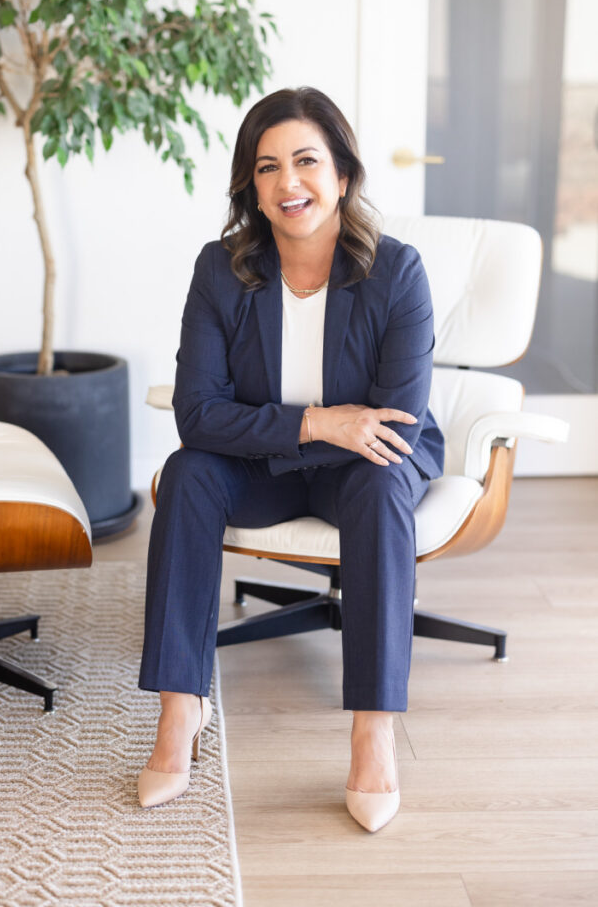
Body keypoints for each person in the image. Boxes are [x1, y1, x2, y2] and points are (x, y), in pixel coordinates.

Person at [137, 87, 444, 832]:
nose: (287, 183)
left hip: (364, 467)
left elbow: (392, 423)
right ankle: (181, 710)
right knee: (186, 475)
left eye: (306, 161)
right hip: (264, 467)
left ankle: (372, 730)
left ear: (342, 173)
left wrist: (333, 433)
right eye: (266, 167)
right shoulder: (222, 269)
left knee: (376, 484)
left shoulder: (396, 272)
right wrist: (316, 421)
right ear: (250, 185)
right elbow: (196, 414)